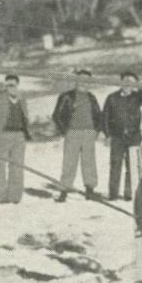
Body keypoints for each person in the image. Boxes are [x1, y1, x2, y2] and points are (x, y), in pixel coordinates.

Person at [52, 68, 103, 202]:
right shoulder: (66, 96)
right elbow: (57, 115)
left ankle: (90, 190)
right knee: (69, 162)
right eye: (81, 80)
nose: (83, 83)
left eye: (86, 80)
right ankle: (64, 191)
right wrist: (65, 130)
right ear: (76, 81)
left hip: (88, 133)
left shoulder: (91, 97)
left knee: (89, 162)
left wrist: (96, 130)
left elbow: (98, 115)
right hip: (72, 133)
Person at [102, 71, 142, 201]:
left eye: (131, 82)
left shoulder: (137, 97)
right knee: (115, 165)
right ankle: (113, 194)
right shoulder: (112, 97)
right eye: (125, 81)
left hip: (133, 136)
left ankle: (128, 194)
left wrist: (139, 86)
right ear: (120, 82)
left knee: (132, 166)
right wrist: (107, 135)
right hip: (117, 136)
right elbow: (105, 117)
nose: (127, 84)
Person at [0, 74, 31, 204]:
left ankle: (15, 196)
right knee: (1, 167)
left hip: (19, 135)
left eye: (12, 85)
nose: (10, 88)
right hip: (3, 135)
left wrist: (26, 132)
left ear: (17, 85)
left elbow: (25, 117)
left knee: (17, 166)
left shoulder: (22, 99)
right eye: (7, 85)